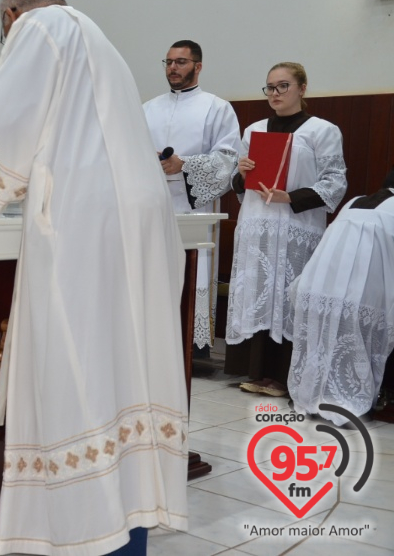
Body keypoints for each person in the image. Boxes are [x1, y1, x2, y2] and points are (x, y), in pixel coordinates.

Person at [0, 0, 188, 556]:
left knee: (76, 363)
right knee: (127, 362)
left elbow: (6, 116)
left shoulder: (39, 27)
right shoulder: (98, 37)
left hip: (85, 218)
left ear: (11, 13)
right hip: (139, 215)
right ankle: (129, 527)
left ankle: (84, 530)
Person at [225, 62, 347, 397]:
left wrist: (289, 196)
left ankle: (283, 377)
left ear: (302, 89)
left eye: (283, 86)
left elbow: (335, 183)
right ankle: (256, 372)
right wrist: (242, 171)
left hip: (296, 227)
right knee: (258, 295)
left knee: (290, 298)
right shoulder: (254, 130)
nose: (275, 94)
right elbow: (237, 184)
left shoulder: (322, 131)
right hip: (257, 228)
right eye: (270, 88)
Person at [144, 40, 239, 353]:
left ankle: (189, 348)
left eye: (181, 62)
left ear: (198, 66)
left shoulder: (216, 107)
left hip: (193, 206)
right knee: (151, 271)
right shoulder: (148, 108)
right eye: (169, 62)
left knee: (192, 272)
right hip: (152, 202)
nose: (173, 68)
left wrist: (182, 164)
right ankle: (149, 343)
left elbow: (228, 158)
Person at [287, 167, 394, 425]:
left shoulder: (355, 202)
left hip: (313, 289)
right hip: (358, 296)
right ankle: (352, 400)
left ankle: (310, 393)